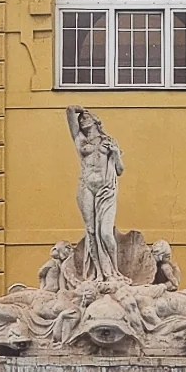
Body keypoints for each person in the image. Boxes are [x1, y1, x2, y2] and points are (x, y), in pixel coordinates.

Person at [67, 107, 124, 281]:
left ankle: (114, 272)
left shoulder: (109, 141)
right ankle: (97, 273)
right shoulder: (81, 141)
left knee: (105, 232)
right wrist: (80, 109)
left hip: (106, 190)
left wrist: (115, 153)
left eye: (86, 117)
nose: (82, 120)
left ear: (95, 120)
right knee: (91, 231)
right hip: (86, 187)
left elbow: (120, 170)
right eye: (81, 118)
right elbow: (69, 111)